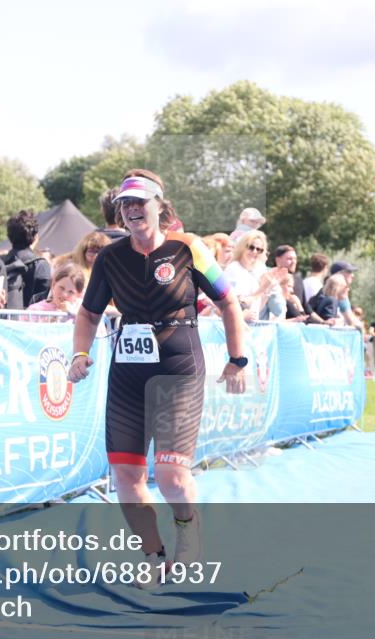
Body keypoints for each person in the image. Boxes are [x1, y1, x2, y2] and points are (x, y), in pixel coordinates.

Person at [67, 171, 246, 586]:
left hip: (178, 369)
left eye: (139, 204)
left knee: (170, 475)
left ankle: (188, 529)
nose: (131, 211)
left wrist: (238, 359)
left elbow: (229, 302)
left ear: (159, 207)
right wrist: (80, 353)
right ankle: (153, 554)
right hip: (128, 374)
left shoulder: (189, 249)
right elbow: (89, 314)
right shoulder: (111, 258)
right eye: (124, 206)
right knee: (126, 477)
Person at [0, 209, 52, 308]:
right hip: (30, 321)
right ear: (35, 236)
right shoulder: (41, 265)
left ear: (9, 236)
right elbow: (42, 300)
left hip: (1, 319)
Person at [223, 230, 276, 321]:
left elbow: (257, 307)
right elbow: (238, 303)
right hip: (234, 325)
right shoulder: (233, 268)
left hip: (251, 326)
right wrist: (262, 289)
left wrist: (267, 290)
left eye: (259, 249)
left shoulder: (258, 271)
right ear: (242, 247)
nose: (254, 251)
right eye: (251, 247)